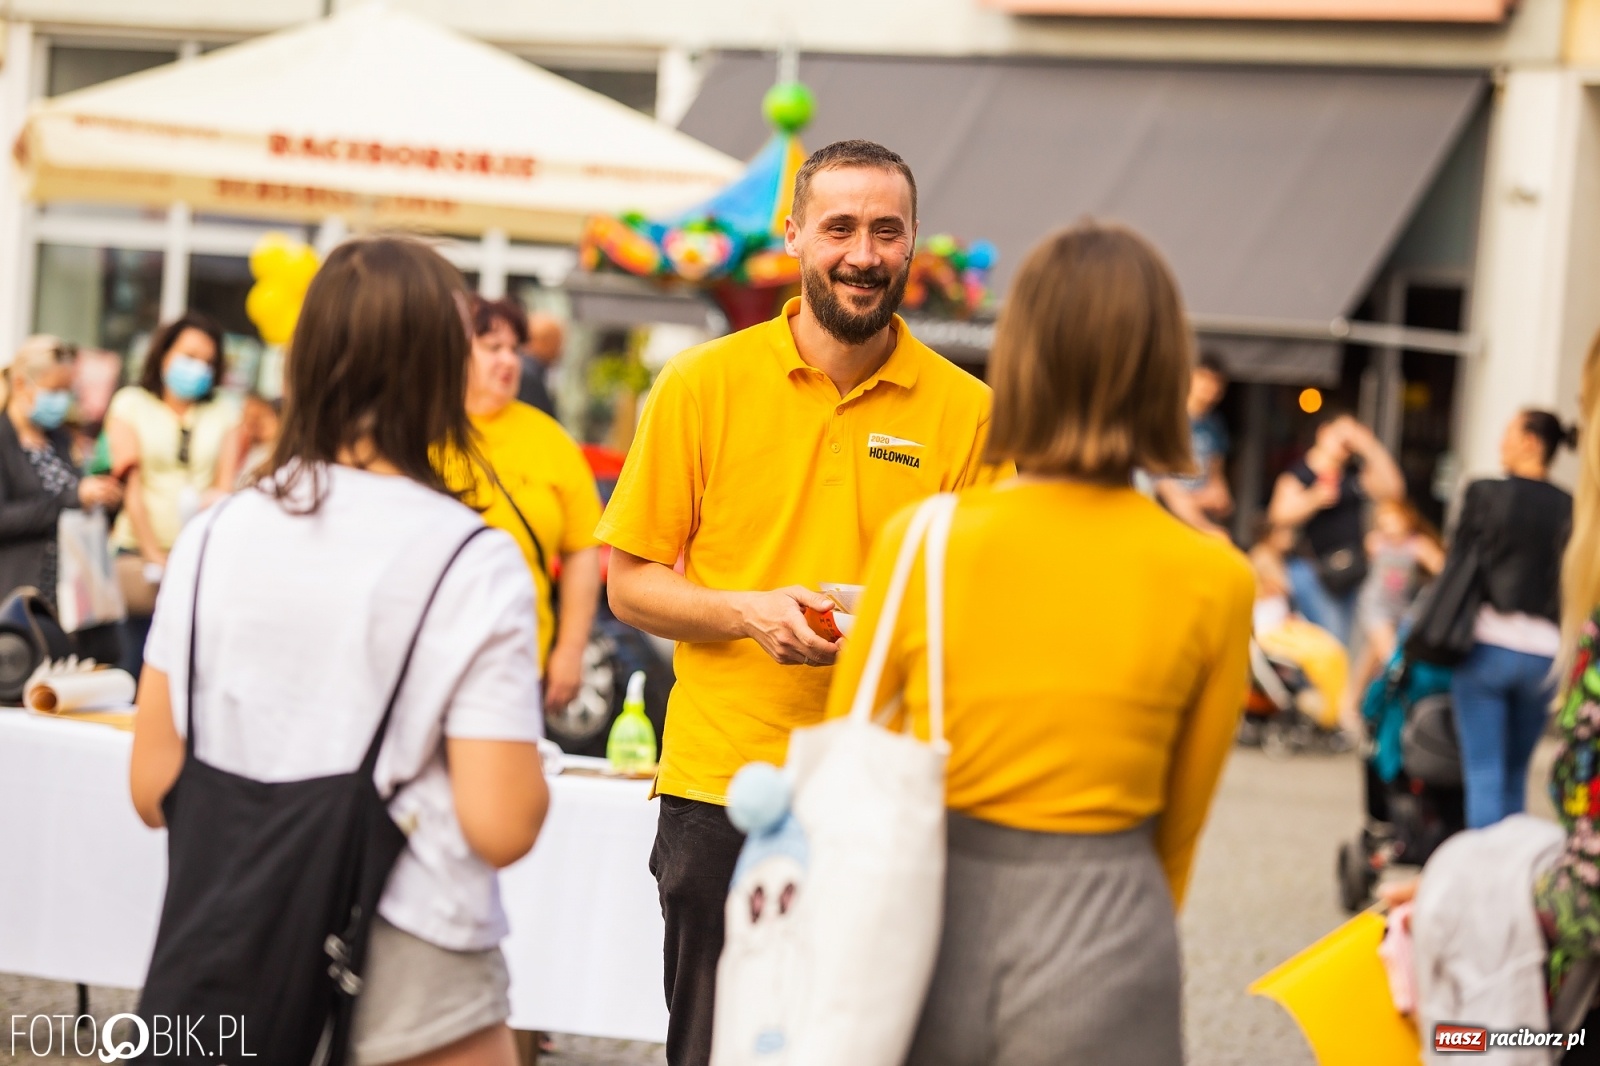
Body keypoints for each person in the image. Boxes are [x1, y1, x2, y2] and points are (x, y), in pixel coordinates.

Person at [598, 139, 1007, 1066]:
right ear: (794, 237)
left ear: (911, 248)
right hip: (723, 788)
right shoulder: (702, 386)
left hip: (894, 790)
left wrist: (898, 622)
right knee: (711, 1043)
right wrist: (750, 612)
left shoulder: (969, 413)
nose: (863, 253)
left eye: (886, 231)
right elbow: (630, 583)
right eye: (840, 228)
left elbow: (990, 610)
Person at [825, 222, 1252, 1066]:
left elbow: (850, 758)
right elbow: (1180, 827)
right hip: (1110, 922)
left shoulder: (927, 540)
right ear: (1167, 371)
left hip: (932, 921)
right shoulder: (1217, 580)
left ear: (1021, 360)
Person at [127, 236, 549, 1066]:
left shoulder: (213, 535)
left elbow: (152, 788)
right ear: (441, 371)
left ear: (304, 360)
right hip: (411, 959)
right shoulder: (473, 557)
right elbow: (500, 823)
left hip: (230, 939)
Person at [458, 294, 603, 721]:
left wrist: (570, 650)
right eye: (492, 347)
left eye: (514, 349)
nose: (509, 360)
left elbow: (582, 552)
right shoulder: (415, 432)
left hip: (516, 665)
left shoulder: (551, 441)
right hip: (422, 655)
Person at [1445, 408, 1574, 829]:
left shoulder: (1485, 493)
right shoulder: (1570, 507)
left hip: (1487, 646)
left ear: (1532, 442)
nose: (1501, 442)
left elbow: (1460, 565)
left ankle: (1484, 881)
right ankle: (1511, 879)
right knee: (1515, 776)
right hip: (1545, 656)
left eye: (1509, 433)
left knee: (1484, 772)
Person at [106, 312, 242, 678]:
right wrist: (154, 556)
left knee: (184, 670)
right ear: (164, 354)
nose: (197, 367)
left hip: (198, 558)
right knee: (132, 663)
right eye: (189, 355)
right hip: (138, 557)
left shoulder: (224, 411)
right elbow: (130, 487)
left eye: (206, 362)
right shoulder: (131, 403)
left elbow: (223, 486)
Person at [0, 336, 122, 612]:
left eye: (67, 391)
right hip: (18, 597)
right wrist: (72, 498)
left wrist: (101, 498)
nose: (61, 401)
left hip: (68, 597)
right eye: (54, 390)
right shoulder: (4, 440)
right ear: (20, 384)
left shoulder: (60, 441)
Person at [1268, 410, 1405, 647]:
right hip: (1312, 571)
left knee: (1337, 645)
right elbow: (1277, 516)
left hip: (1347, 574)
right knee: (1330, 644)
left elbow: (1394, 490)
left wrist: (1368, 446)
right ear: (1323, 432)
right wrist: (1313, 499)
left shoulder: (1351, 477)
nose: (1346, 442)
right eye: (1341, 433)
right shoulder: (1300, 474)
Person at [1346, 499, 1445, 720]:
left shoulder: (1418, 545)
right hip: (1375, 606)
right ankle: (1379, 707)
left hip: (1401, 608)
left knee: (1369, 658)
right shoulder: (1375, 542)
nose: (1388, 525)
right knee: (1391, 656)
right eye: (1383, 520)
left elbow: (1443, 569)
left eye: (1392, 519)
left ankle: (1350, 706)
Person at [1155, 352, 1233, 539]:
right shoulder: (1166, 418)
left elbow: (1216, 474)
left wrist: (1219, 495)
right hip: (1166, 507)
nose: (1210, 387)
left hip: (1200, 503)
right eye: (1204, 378)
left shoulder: (1215, 425)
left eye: (1216, 381)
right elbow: (1159, 480)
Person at [516, 311, 564, 418]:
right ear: (545, 341)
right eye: (559, 342)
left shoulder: (527, 371)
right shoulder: (529, 378)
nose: (561, 350)